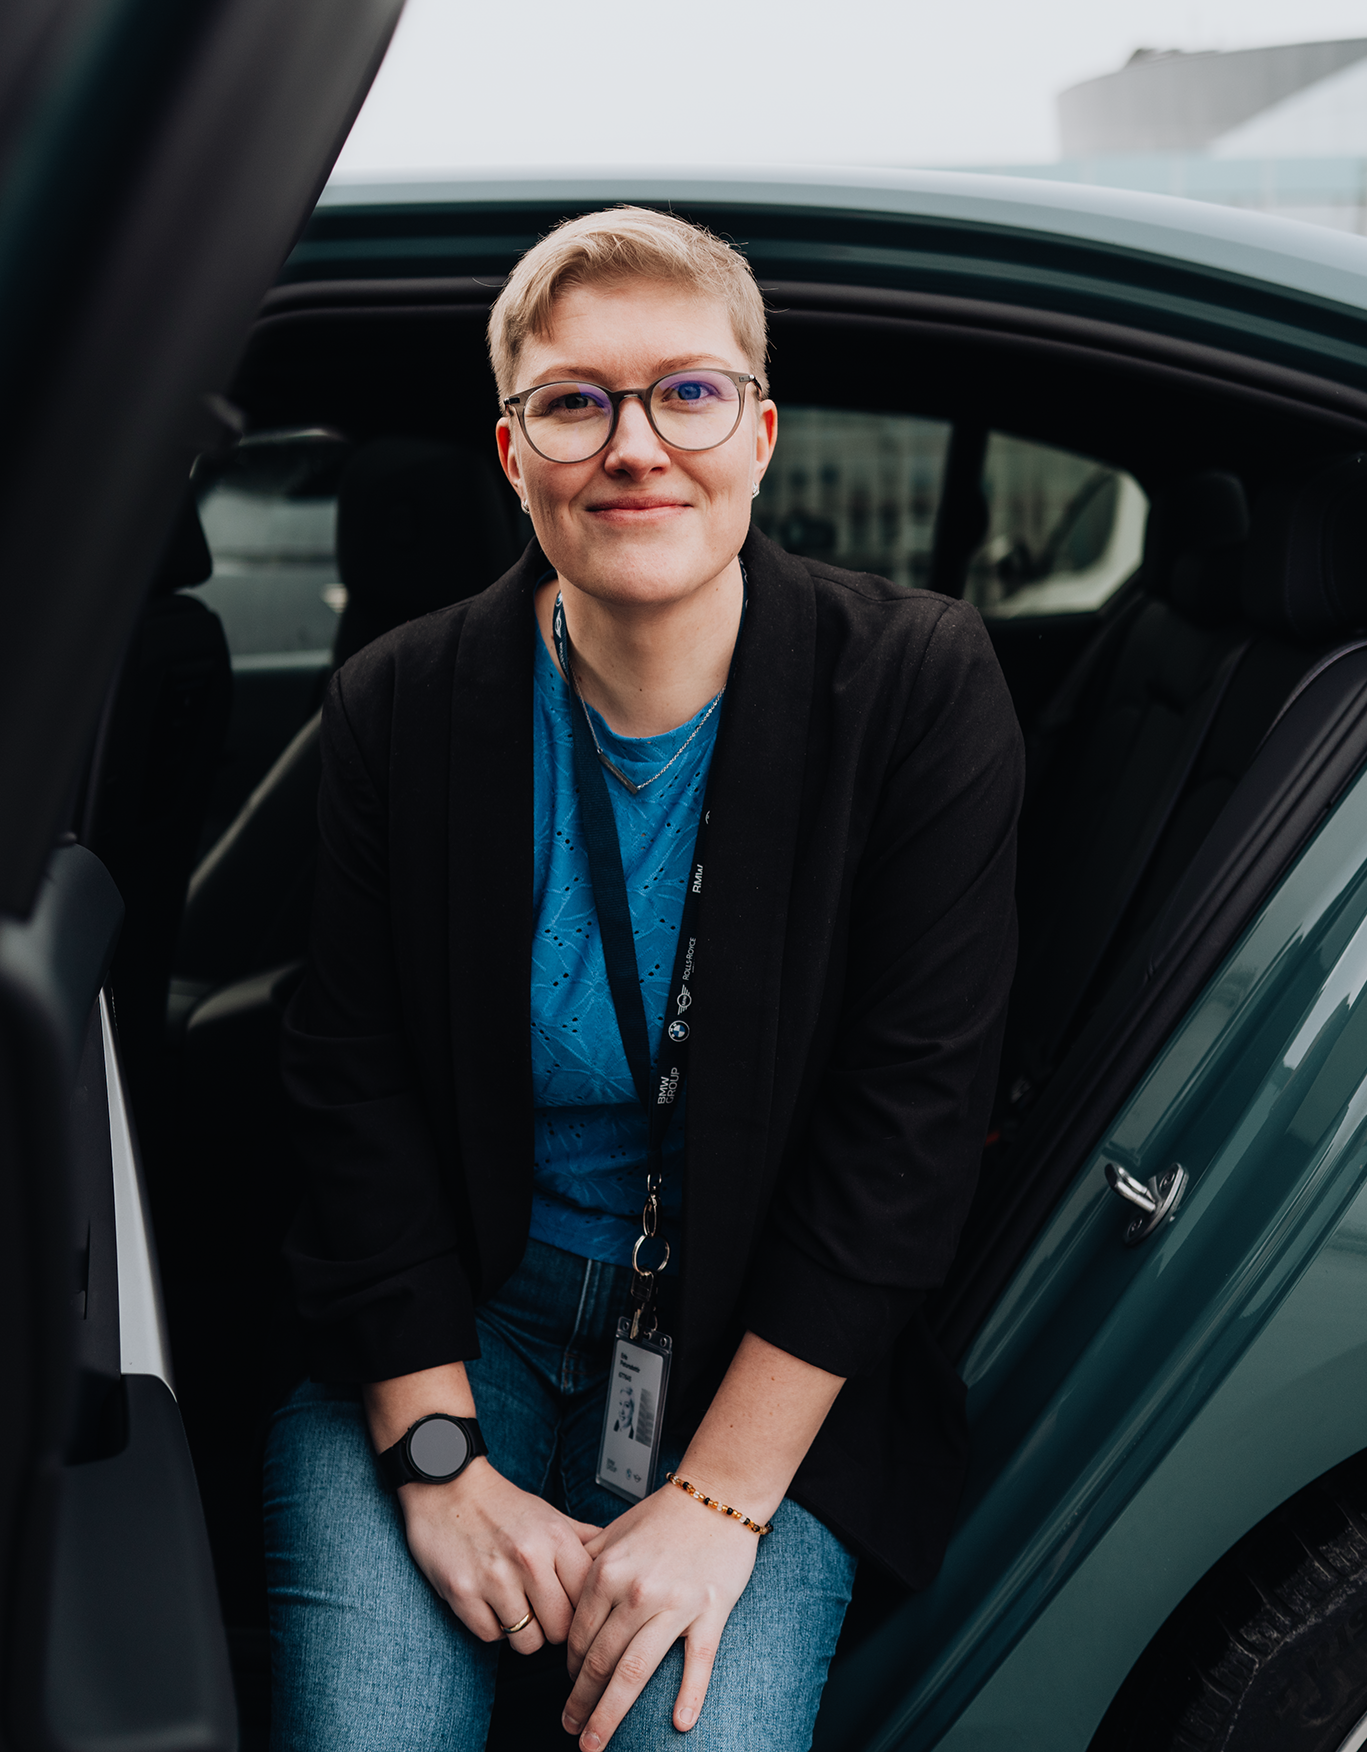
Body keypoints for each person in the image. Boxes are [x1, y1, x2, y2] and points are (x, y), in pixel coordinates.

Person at [264, 205, 1022, 1752]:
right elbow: (350, 1088)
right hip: (462, 1316)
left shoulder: (915, 688)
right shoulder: (399, 705)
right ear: (513, 452)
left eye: (687, 392)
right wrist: (437, 1462)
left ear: (760, 434)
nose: (634, 446)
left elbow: (909, 1128)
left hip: (756, 1346)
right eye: (574, 401)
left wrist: (720, 1499)